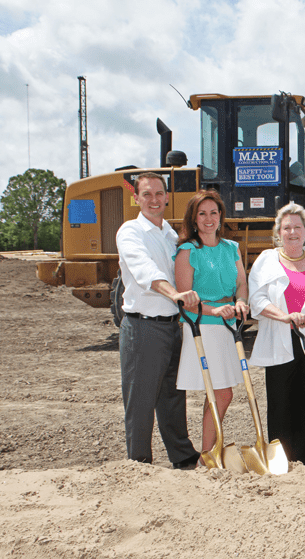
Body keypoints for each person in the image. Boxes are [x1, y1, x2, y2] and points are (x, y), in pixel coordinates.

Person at [116, 172, 201, 469]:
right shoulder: (130, 232)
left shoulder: (169, 233)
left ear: (167, 197)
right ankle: (139, 464)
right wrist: (176, 295)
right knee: (141, 400)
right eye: (147, 194)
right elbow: (146, 271)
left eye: (158, 194)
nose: (154, 200)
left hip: (172, 327)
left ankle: (183, 457)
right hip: (144, 327)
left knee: (173, 397)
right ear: (137, 198)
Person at [248, 203, 305, 465]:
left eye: (297, 227)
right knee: (279, 402)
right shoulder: (266, 260)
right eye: (286, 227)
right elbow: (257, 299)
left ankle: (303, 459)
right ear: (278, 232)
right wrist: (285, 316)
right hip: (280, 338)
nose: (292, 232)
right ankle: (280, 461)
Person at [174, 189, 249, 461]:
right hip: (202, 326)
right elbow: (185, 300)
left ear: (221, 217)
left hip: (228, 325)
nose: (208, 219)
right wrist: (215, 310)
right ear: (193, 220)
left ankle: (210, 451)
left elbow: (241, 283)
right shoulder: (187, 251)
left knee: (220, 392)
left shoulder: (231, 248)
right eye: (202, 214)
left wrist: (241, 302)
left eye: (213, 213)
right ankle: (208, 454)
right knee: (222, 393)